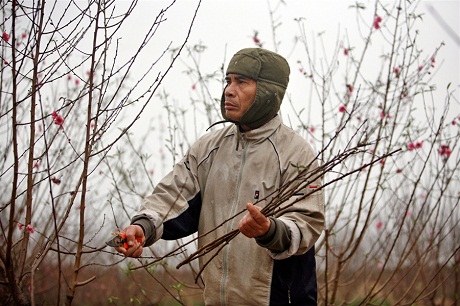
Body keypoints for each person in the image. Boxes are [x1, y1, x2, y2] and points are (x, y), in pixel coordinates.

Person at [115, 47, 325, 305]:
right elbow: (173, 197)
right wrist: (142, 228)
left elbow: (307, 223)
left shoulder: (296, 153)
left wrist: (269, 230)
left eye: (242, 82)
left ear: (269, 91)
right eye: (228, 81)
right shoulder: (209, 148)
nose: (229, 90)